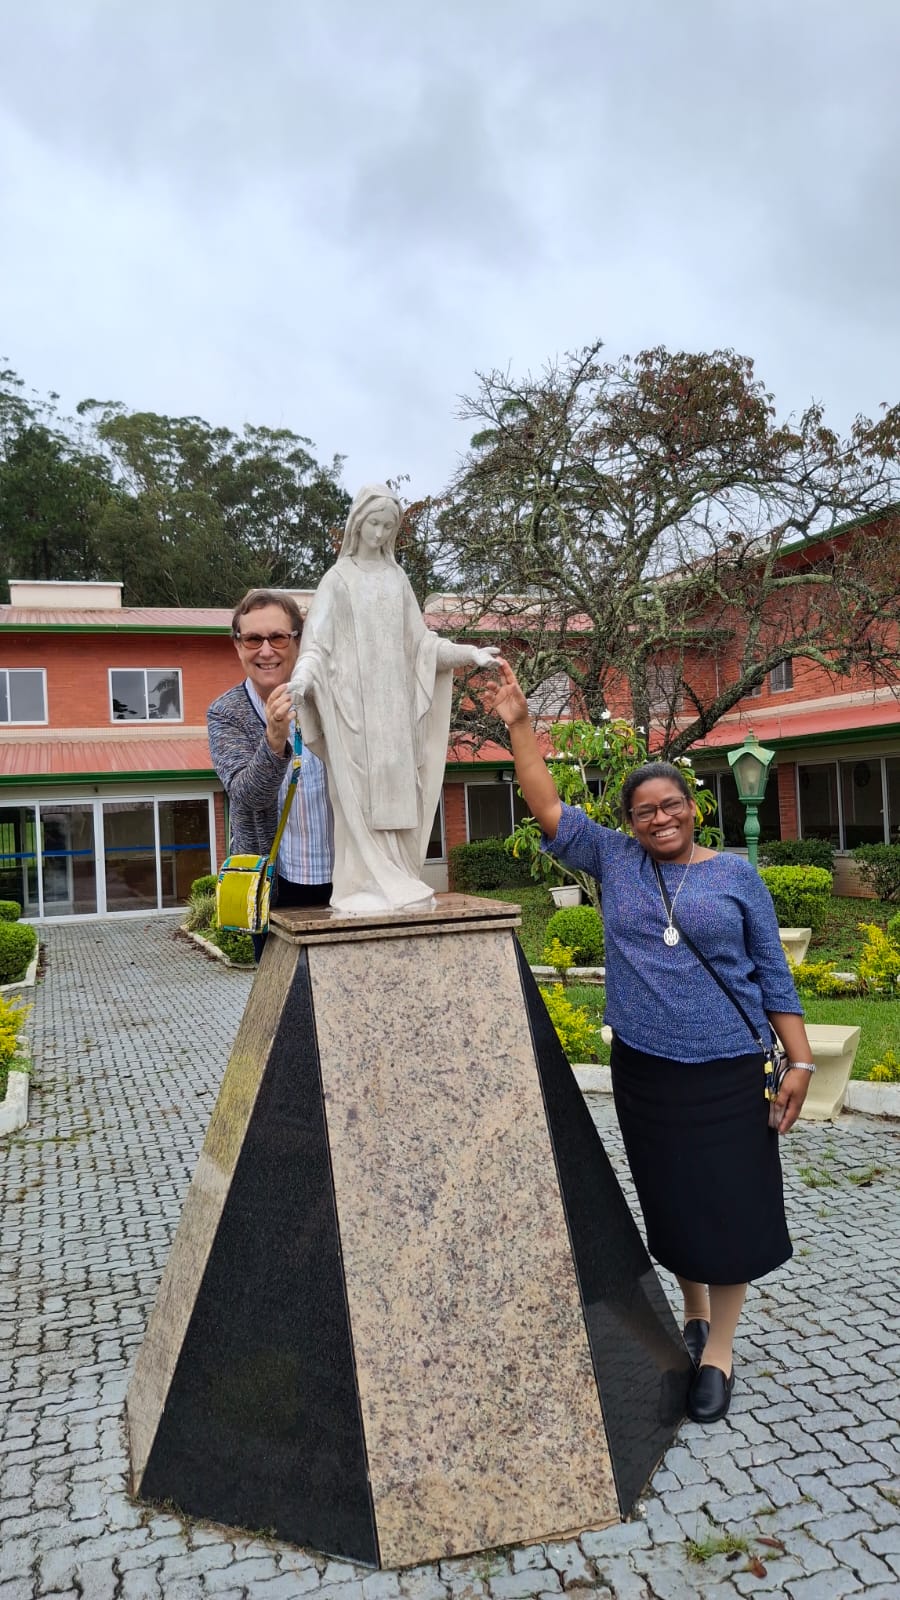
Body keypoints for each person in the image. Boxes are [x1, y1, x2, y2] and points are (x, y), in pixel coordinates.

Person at [483, 657, 814, 1424]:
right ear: (629, 821)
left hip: (728, 1070)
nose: (659, 819)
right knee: (670, 1196)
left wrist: (798, 1059)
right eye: (643, 812)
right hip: (645, 1069)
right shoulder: (613, 859)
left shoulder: (736, 877)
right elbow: (545, 804)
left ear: (692, 808)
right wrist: (521, 724)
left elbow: (772, 974)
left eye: (670, 806)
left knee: (727, 1206)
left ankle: (718, 1350)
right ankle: (691, 1311)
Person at [290, 484, 499, 913]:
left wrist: (469, 654)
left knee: (401, 798)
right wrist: (303, 676)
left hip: (394, 715)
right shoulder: (338, 580)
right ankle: (361, 886)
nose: (380, 533)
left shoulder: (397, 578)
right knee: (359, 799)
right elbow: (317, 644)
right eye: (374, 523)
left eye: (388, 526)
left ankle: (400, 878)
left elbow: (422, 645)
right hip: (353, 713)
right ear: (357, 523)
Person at [207, 589, 334, 959]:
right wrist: (274, 741)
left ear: (298, 639)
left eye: (278, 637)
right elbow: (247, 797)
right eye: (252, 639)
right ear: (238, 646)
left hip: (347, 879)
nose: (265, 651)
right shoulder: (226, 713)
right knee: (285, 996)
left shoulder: (333, 699)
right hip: (275, 889)